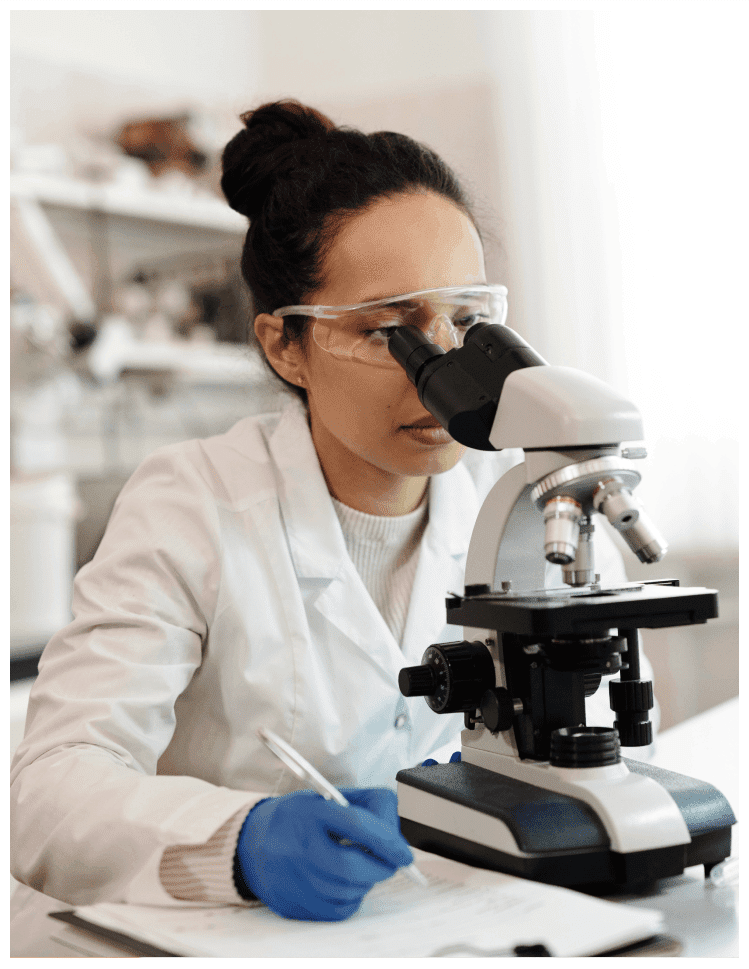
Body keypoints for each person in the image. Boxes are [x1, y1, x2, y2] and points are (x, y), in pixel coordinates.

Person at [10, 100, 656, 942]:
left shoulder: (520, 494)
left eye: (463, 320)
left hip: (441, 923)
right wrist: (242, 842)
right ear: (285, 346)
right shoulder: (189, 502)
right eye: (387, 329)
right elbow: (49, 793)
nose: (441, 369)